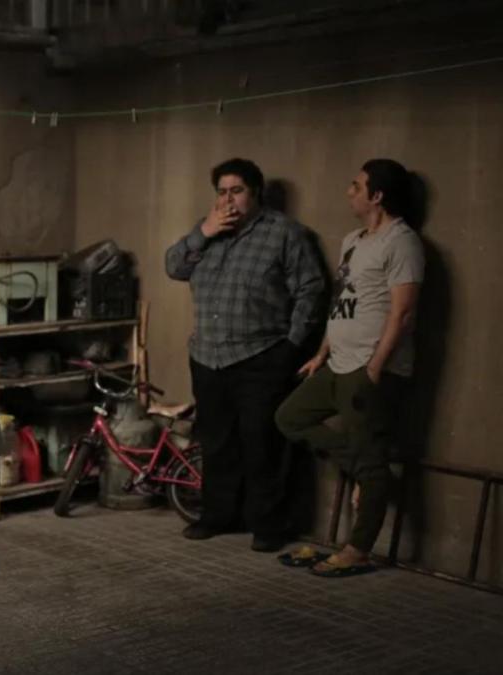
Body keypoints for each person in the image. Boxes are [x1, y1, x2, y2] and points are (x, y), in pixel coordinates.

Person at [166, 157, 325, 552]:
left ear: (256, 192)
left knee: (262, 444)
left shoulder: (285, 233)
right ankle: (218, 516)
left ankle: (267, 525)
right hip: (208, 354)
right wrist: (203, 231)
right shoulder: (207, 232)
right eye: (221, 192)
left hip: (262, 354)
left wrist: (291, 345)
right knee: (217, 442)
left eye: (236, 190)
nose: (228, 199)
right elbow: (173, 267)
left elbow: (312, 289)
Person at [275, 159, 423, 577]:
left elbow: (404, 312)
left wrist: (376, 366)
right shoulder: (353, 240)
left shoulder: (402, 241)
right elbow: (340, 304)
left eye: (356, 185)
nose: (349, 192)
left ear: (377, 195)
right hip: (337, 363)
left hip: (369, 368)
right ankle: (361, 466)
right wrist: (321, 353)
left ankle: (358, 548)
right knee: (289, 417)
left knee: (374, 461)